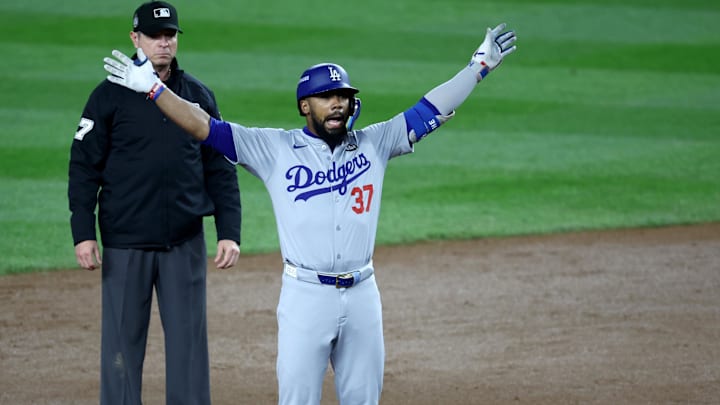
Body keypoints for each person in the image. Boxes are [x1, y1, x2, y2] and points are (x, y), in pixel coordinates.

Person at [102, 22, 516, 404]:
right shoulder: (273, 149)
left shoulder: (377, 142)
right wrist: (155, 91)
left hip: (363, 295)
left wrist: (479, 67)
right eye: (327, 98)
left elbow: (430, 109)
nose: (338, 105)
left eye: (344, 97)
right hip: (305, 298)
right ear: (305, 106)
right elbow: (204, 126)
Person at [68, 2, 241, 404]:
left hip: (184, 241)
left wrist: (228, 231)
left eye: (170, 35)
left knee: (189, 347)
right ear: (135, 39)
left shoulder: (198, 95)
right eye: (154, 36)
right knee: (121, 350)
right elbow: (83, 168)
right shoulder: (108, 96)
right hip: (126, 242)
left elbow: (220, 166)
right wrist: (83, 233)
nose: (164, 43)